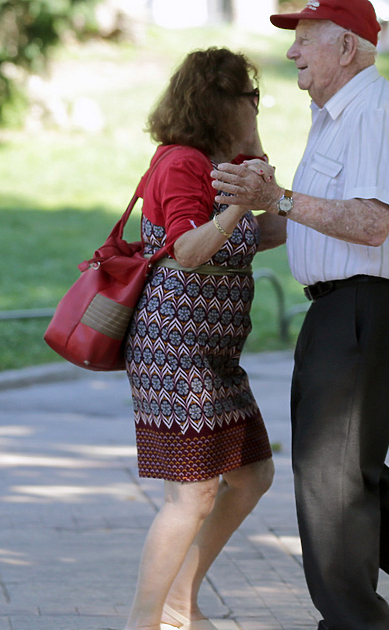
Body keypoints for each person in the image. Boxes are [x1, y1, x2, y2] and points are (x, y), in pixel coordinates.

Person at [209, 2, 389, 629]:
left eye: (305, 40)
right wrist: (196, 240)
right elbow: (299, 218)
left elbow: (369, 223)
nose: (292, 54)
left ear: (348, 48)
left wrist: (276, 195)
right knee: (341, 470)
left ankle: (355, 623)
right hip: (347, 307)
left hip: (370, 301)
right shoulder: (336, 114)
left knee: (329, 481)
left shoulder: (371, 114)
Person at [123, 47, 280, 630]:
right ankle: (146, 620)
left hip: (216, 354)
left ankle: (178, 599)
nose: (256, 106)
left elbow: (268, 231)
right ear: (220, 101)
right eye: (250, 97)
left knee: (252, 475)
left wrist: (259, 158)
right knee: (190, 496)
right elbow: (188, 251)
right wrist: (241, 203)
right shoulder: (182, 163)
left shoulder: (227, 157)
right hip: (174, 350)